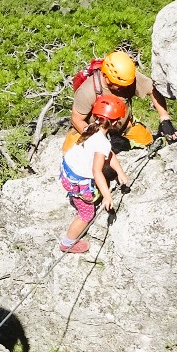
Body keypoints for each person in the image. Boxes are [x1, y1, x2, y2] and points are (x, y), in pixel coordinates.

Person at [59, 94, 132, 254]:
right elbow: (96, 171)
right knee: (87, 213)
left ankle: (77, 196)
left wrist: (119, 171)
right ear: (114, 122)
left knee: (90, 194)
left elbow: (109, 153)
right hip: (77, 181)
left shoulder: (91, 128)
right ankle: (67, 243)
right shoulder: (102, 142)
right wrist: (107, 195)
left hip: (67, 171)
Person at [68, 50, 177, 148]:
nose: (124, 87)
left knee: (149, 142)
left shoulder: (128, 79)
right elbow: (77, 119)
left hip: (124, 126)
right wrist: (95, 138)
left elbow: (153, 90)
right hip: (94, 129)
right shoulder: (87, 91)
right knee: (70, 152)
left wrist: (164, 118)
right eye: (119, 85)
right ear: (107, 78)